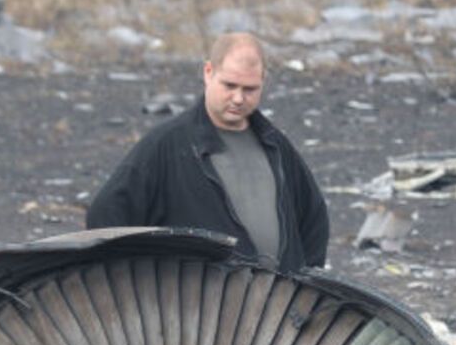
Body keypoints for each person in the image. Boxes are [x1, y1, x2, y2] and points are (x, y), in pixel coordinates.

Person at [85, 33, 330, 270]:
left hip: (274, 306)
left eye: (249, 89)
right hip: (196, 308)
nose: (238, 98)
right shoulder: (167, 145)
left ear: (263, 81)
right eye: (229, 85)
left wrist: (302, 284)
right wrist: (139, 286)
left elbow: (314, 218)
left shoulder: (275, 145)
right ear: (208, 73)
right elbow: (106, 216)